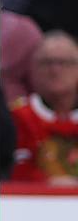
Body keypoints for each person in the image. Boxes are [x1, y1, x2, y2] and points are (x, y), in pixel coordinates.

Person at [9, 29, 78, 184]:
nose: (55, 70)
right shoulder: (16, 117)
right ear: (32, 69)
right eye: (46, 62)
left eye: (64, 62)